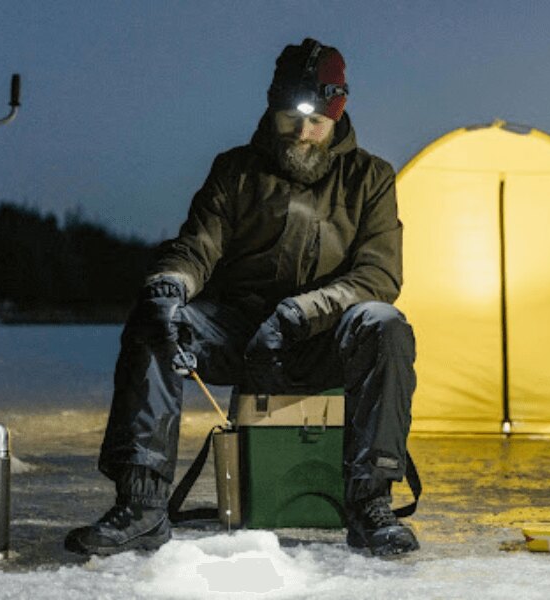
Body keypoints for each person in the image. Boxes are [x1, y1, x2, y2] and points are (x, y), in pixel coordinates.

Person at [65, 38, 419, 557]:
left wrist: (302, 311)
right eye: (290, 120)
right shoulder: (235, 171)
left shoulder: (371, 179)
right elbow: (197, 246)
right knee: (156, 320)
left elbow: (377, 274)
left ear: (338, 116)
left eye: (316, 123)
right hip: (238, 334)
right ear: (271, 108)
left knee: (384, 323)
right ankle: (142, 504)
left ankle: (370, 504)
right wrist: (171, 283)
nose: (302, 133)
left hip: (321, 337)